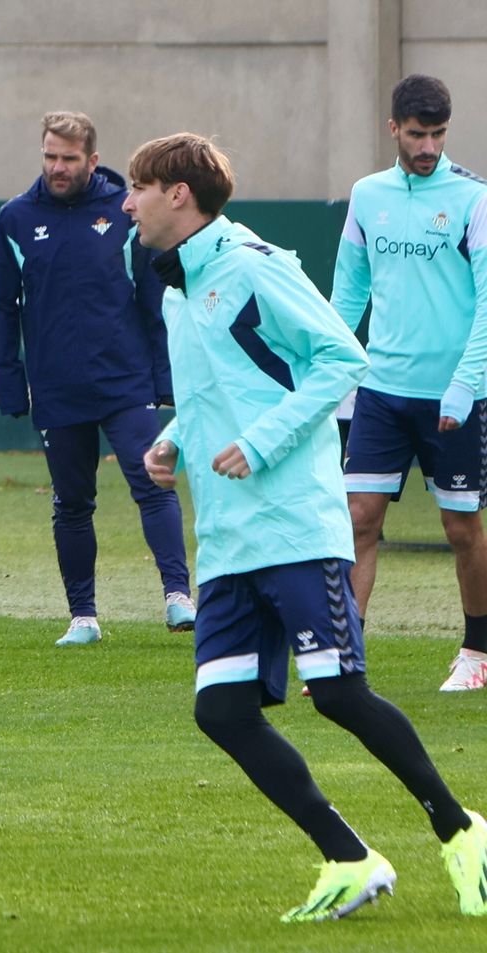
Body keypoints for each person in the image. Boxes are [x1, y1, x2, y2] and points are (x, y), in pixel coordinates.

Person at [128, 132, 487, 922]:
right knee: (220, 711)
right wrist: (176, 438)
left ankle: (461, 829)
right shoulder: (177, 287)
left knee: (338, 694)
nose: (127, 203)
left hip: (293, 525)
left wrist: (259, 444)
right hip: (226, 539)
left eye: (137, 188)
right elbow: (224, 387)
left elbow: (338, 357)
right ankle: (350, 856)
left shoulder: (255, 265)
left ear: (178, 195)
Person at [0, 110, 193, 647]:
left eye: (69, 158)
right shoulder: (14, 218)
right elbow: (1, 308)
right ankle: (83, 616)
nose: (57, 167)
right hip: (57, 386)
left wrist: (162, 378)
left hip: (126, 381)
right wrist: (12, 386)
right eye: (50, 156)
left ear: (92, 161)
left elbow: (152, 297)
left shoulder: (124, 209)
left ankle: (177, 596)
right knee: (72, 503)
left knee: (153, 481)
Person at [331, 74, 487, 691]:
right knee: (358, 518)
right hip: (381, 391)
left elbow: (486, 303)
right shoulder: (367, 196)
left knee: (460, 528)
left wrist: (465, 385)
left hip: (455, 395)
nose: (428, 146)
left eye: (438, 134)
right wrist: (330, 374)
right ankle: (344, 657)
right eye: (417, 134)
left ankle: (478, 653)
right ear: (393, 128)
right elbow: (347, 295)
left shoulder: (474, 198)